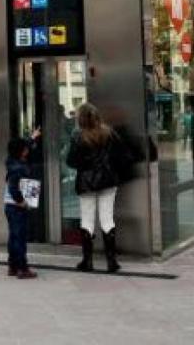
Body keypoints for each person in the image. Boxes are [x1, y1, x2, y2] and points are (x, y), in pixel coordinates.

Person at [66, 103, 129, 273]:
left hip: (86, 183)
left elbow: (70, 161)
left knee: (87, 220)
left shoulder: (77, 136)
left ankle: (87, 261)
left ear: (80, 118)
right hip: (108, 181)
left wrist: (85, 164)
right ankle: (111, 262)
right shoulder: (109, 133)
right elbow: (122, 155)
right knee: (107, 219)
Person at [4, 137, 37, 279]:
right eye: (25, 148)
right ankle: (22, 268)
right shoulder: (18, 168)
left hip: (10, 206)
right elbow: (13, 189)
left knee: (13, 236)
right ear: (21, 151)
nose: (27, 150)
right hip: (16, 206)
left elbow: (18, 147)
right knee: (20, 238)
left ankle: (12, 266)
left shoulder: (11, 161)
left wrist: (31, 139)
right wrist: (22, 201)